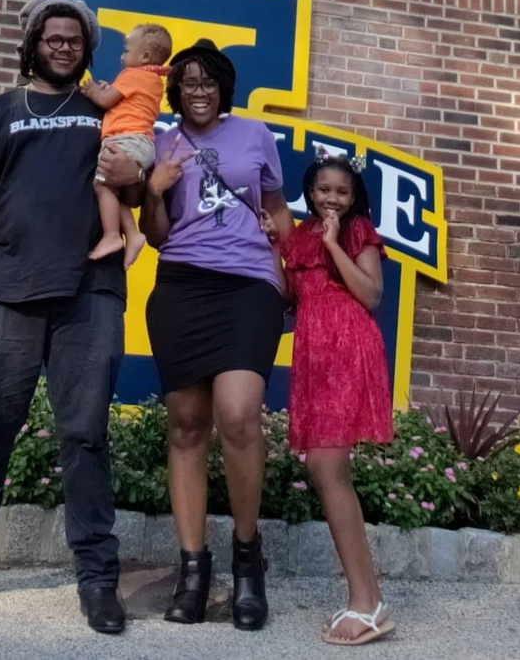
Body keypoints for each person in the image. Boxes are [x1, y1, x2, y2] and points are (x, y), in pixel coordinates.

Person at [0, 0, 143, 635]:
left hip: (89, 292)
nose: (63, 46)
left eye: (74, 39)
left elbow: (139, 182)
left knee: (85, 433)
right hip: (7, 290)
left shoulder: (104, 112)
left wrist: (137, 174)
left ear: (85, 49)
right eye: (53, 38)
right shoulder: (0, 112)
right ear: (33, 44)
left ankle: (97, 575)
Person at [140, 39, 294, 631]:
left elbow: (277, 210)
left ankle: (248, 564)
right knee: (185, 425)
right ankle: (193, 571)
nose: (197, 92)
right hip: (182, 285)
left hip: (249, 284)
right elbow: (155, 235)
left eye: (208, 83)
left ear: (223, 88)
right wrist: (155, 188)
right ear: (175, 90)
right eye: (188, 83)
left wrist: (290, 272)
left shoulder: (254, 135)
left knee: (238, 415)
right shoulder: (160, 142)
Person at [262, 149, 396, 646]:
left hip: (347, 345)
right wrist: (266, 248)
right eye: (323, 190)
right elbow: (287, 301)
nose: (332, 199)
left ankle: (369, 602)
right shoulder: (297, 238)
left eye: (342, 191)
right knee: (323, 469)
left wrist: (336, 243)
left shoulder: (358, 232)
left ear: (354, 195)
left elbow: (371, 294)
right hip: (313, 353)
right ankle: (366, 598)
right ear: (310, 191)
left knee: (327, 467)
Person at [81, 23, 173, 270]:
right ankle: (132, 235)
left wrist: (92, 91)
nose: (121, 56)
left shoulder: (132, 75)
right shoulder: (154, 81)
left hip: (125, 140)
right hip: (142, 144)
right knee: (114, 191)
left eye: (126, 50)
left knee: (100, 184)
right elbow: (123, 104)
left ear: (144, 57)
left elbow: (106, 100)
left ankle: (112, 235)